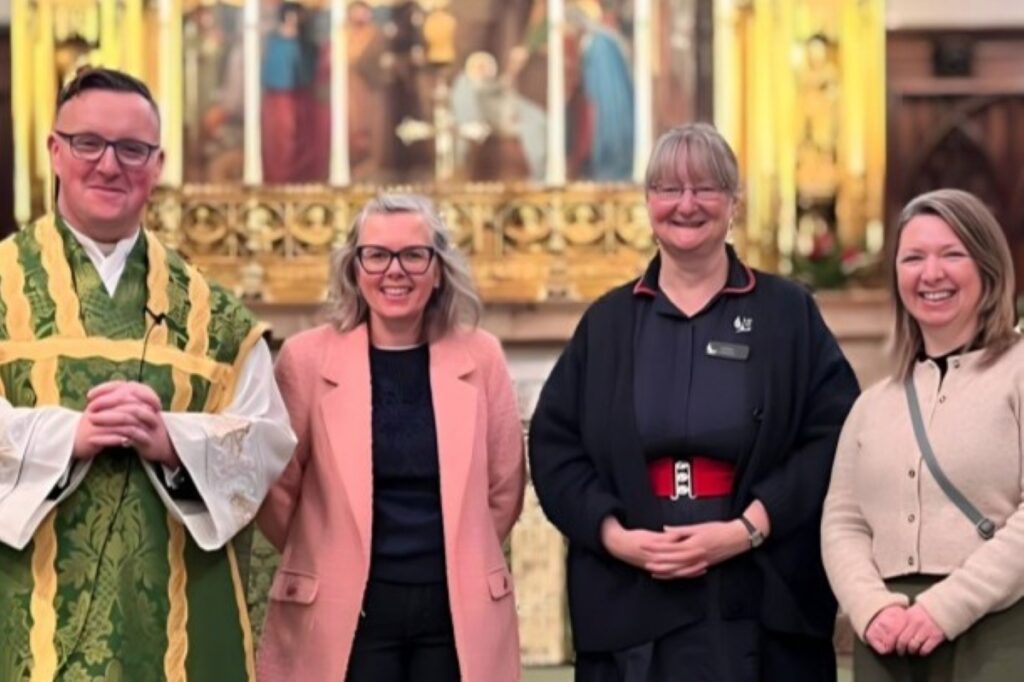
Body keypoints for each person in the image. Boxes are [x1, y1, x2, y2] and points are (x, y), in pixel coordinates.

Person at [528, 122, 860, 681]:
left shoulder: (787, 313)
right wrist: (616, 537)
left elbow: (834, 437)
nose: (686, 205)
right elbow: (556, 447)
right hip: (632, 596)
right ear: (648, 202)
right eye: (668, 189)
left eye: (706, 188)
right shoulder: (608, 323)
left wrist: (747, 528)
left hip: (757, 600)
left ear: (734, 202)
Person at [0, 67, 296, 680]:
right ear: (55, 151)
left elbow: (267, 441)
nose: (109, 165)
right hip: (22, 613)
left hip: (181, 626)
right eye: (89, 143)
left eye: (132, 149)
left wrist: (174, 444)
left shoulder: (215, 316)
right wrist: (65, 439)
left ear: (157, 164)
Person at [257, 193, 525, 682]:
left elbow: (504, 488)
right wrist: (327, 554)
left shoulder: (481, 356)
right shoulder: (305, 360)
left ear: (438, 269)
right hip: (343, 613)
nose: (394, 271)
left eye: (413, 255)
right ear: (354, 268)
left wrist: (460, 554)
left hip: (455, 614)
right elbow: (277, 491)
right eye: (376, 255)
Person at [821, 188, 1024, 681]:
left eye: (952, 254)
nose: (931, 274)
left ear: (988, 269)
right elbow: (843, 521)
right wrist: (872, 608)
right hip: (888, 642)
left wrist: (945, 608)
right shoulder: (874, 403)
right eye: (913, 258)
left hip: (996, 634)